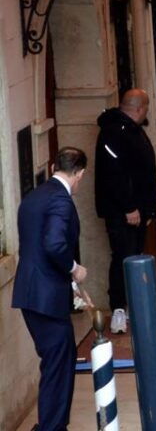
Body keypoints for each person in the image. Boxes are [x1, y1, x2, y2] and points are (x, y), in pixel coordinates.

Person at [12, 147, 91, 431]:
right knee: (59, 361)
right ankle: (52, 428)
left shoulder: (35, 196)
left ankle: (51, 425)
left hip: (30, 292)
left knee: (58, 357)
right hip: (45, 296)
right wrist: (74, 270)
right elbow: (54, 244)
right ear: (79, 174)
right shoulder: (61, 200)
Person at [95, 88, 156, 334]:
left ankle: (134, 305)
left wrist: (153, 201)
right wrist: (129, 207)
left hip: (139, 209)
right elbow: (114, 175)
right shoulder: (113, 133)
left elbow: (144, 170)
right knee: (122, 255)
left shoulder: (135, 131)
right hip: (122, 212)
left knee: (135, 253)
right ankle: (118, 308)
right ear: (140, 108)